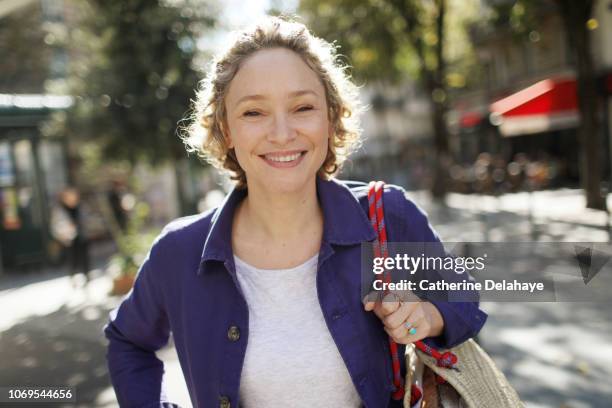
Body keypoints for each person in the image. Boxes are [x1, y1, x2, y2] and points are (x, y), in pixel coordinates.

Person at [104, 16, 487, 408]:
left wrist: (427, 315)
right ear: (226, 129)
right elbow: (127, 342)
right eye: (254, 112)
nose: (282, 133)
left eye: (303, 107)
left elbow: (464, 299)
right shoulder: (178, 253)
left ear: (330, 117)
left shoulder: (386, 215)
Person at [50, 186, 90, 283]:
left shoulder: (80, 206)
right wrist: (65, 230)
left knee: (84, 256)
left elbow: (87, 218)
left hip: (81, 235)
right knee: (72, 258)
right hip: (68, 238)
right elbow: (55, 225)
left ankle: (86, 274)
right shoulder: (59, 209)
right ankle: (73, 276)